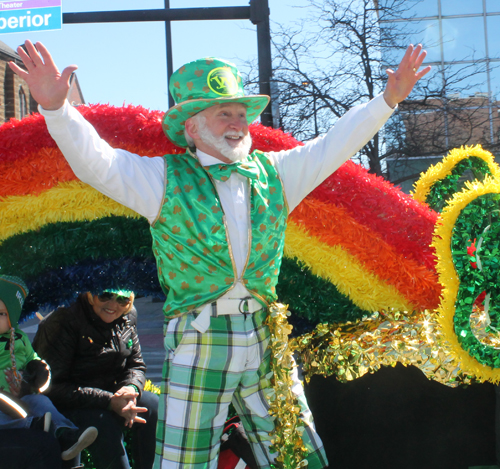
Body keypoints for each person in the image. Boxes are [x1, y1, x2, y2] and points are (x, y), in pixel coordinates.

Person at [10, 40, 430, 468]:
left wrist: (387, 100)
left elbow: (334, 144)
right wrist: (59, 111)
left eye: (241, 112)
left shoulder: (276, 174)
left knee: (297, 454)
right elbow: (98, 163)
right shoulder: (163, 179)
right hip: (199, 339)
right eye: (223, 112)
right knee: (184, 462)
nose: (237, 122)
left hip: (267, 335)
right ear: (192, 126)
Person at [32, 289, 159, 469]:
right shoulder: (64, 319)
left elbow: (135, 365)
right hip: (66, 403)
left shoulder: (128, 315)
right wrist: (109, 401)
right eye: (106, 296)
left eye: (122, 299)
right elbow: (51, 387)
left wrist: (130, 389)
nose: (113, 305)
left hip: (109, 395)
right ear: (90, 295)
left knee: (151, 406)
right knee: (103, 424)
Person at [0, 275, 98, 462]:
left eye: (2, 314)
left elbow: (33, 358)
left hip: (20, 395)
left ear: (12, 317)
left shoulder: (19, 339)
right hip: (3, 403)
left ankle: (67, 434)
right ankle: (34, 426)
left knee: (42, 403)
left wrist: (39, 371)